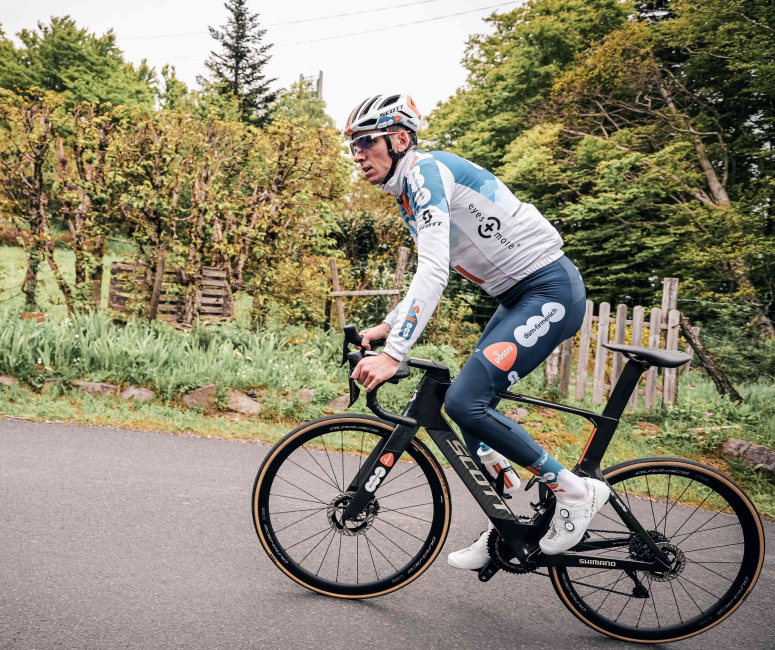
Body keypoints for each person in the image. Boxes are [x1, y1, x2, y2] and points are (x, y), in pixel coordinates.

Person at [345, 93, 610, 570]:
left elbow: (432, 273)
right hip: (519, 297)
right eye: (353, 147)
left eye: (366, 142)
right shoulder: (411, 190)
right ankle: (507, 521)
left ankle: (575, 491)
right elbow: (432, 267)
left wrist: (395, 353)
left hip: (549, 290)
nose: (358, 154)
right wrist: (388, 328)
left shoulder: (425, 174)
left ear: (400, 138)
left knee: (465, 402)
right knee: (466, 409)